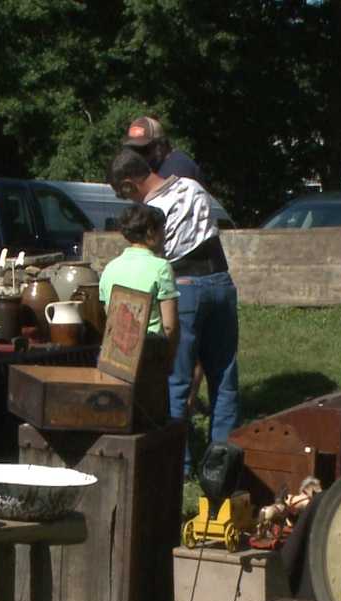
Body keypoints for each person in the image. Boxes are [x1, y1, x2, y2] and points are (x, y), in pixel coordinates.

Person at [109, 149, 239, 472]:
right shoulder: (193, 187)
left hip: (185, 285)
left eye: (123, 194)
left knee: (176, 382)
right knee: (224, 378)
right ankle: (223, 463)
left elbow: (153, 256)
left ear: (129, 185)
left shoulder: (152, 211)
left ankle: (175, 464)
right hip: (220, 281)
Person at [98, 204, 180, 359]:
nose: (165, 234)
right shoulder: (161, 267)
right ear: (150, 231)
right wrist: (169, 358)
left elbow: (110, 315)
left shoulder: (110, 268)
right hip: (149, 351)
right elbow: (169, 326)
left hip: (117, 352)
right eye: (162, 228)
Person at [123, 116, 203, 183]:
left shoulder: (178, 170)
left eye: (143, 149)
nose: (139, 155)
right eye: (134, 150)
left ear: (161, 145)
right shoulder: (155, 169)